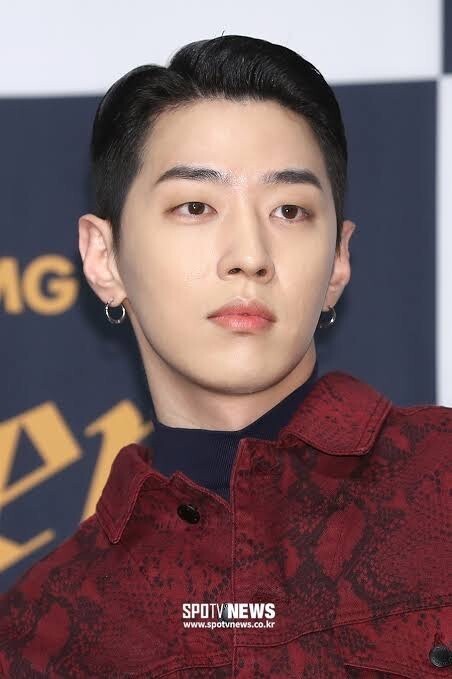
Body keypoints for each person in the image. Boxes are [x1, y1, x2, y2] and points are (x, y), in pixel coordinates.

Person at [1, 34, 451, 678]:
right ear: (103, 258)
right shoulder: (37, 634)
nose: (249, 254)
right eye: (195, 206)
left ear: (338, 261)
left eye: (289, 210)